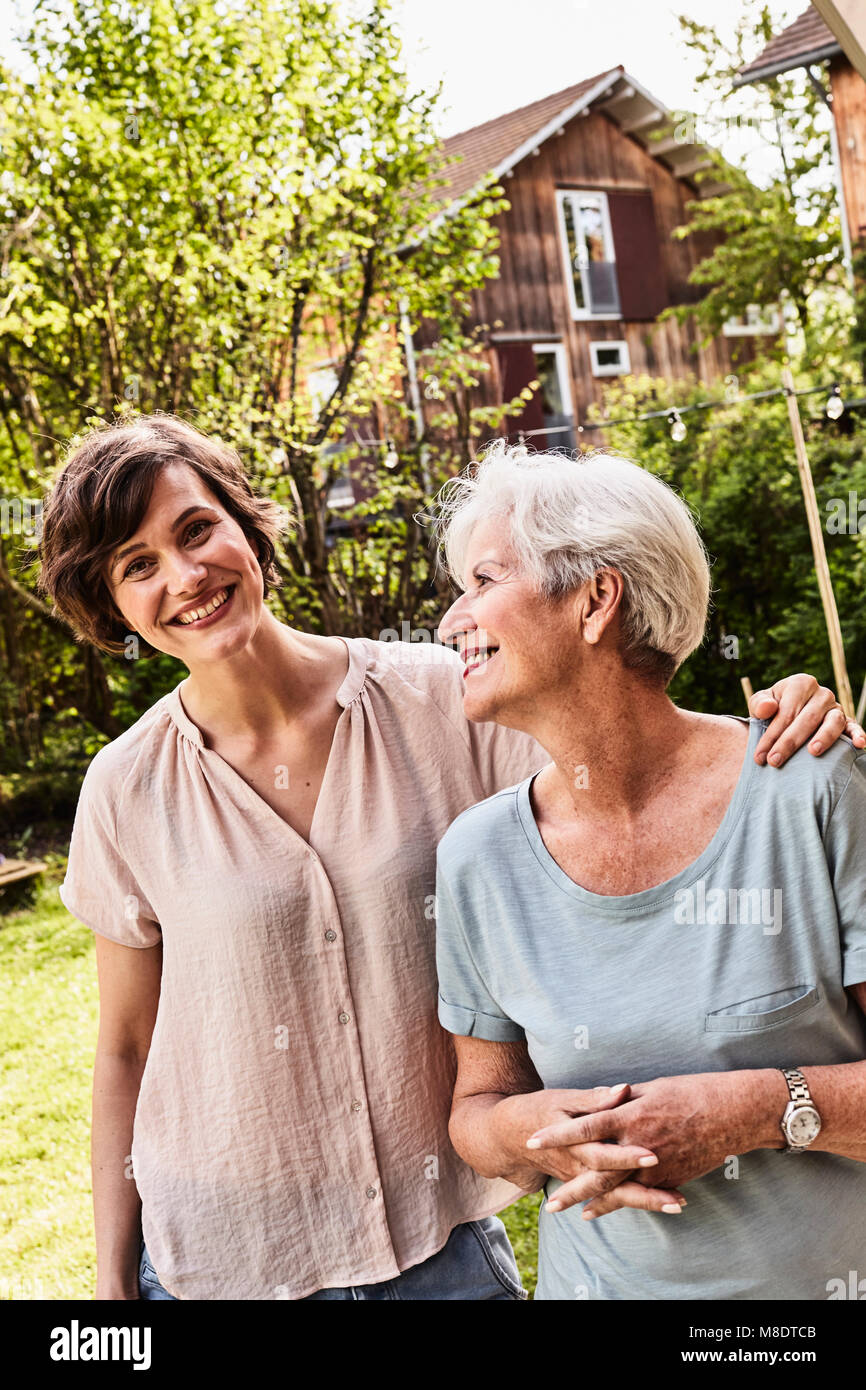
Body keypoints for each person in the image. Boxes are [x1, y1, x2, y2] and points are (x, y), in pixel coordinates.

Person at [40, 414, 860, 1300]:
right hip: (226, 1256)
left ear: (244, 528)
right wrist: (114, 1287)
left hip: (437, 1253)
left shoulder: (441, 695)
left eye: (196, 529)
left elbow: (623, 735)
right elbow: (125, 1049)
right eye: (137, 565)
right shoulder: (125, 786)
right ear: (113, 605)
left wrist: (797, 725)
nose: (185, 575)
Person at [433, 440, 866, 1300]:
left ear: (596, 599)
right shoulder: (477, 857)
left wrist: (749, 1112)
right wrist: (530, 1130)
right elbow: (476, 1111)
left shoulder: (810, 788)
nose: (452, 621)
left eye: (483, 583)